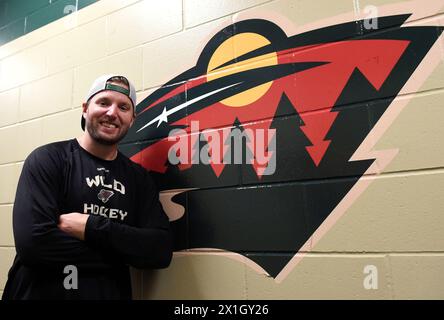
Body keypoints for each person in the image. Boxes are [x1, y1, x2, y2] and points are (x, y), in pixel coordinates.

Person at [2, 75, 173, 300]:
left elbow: (159, 252)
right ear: (85, 109)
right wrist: (125, 250)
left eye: (123, 107)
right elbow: (33, 245)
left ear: (132, 120)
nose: (112, 113)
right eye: (103, 102)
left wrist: (90, 227)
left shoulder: (138, 179)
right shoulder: (49, 159)